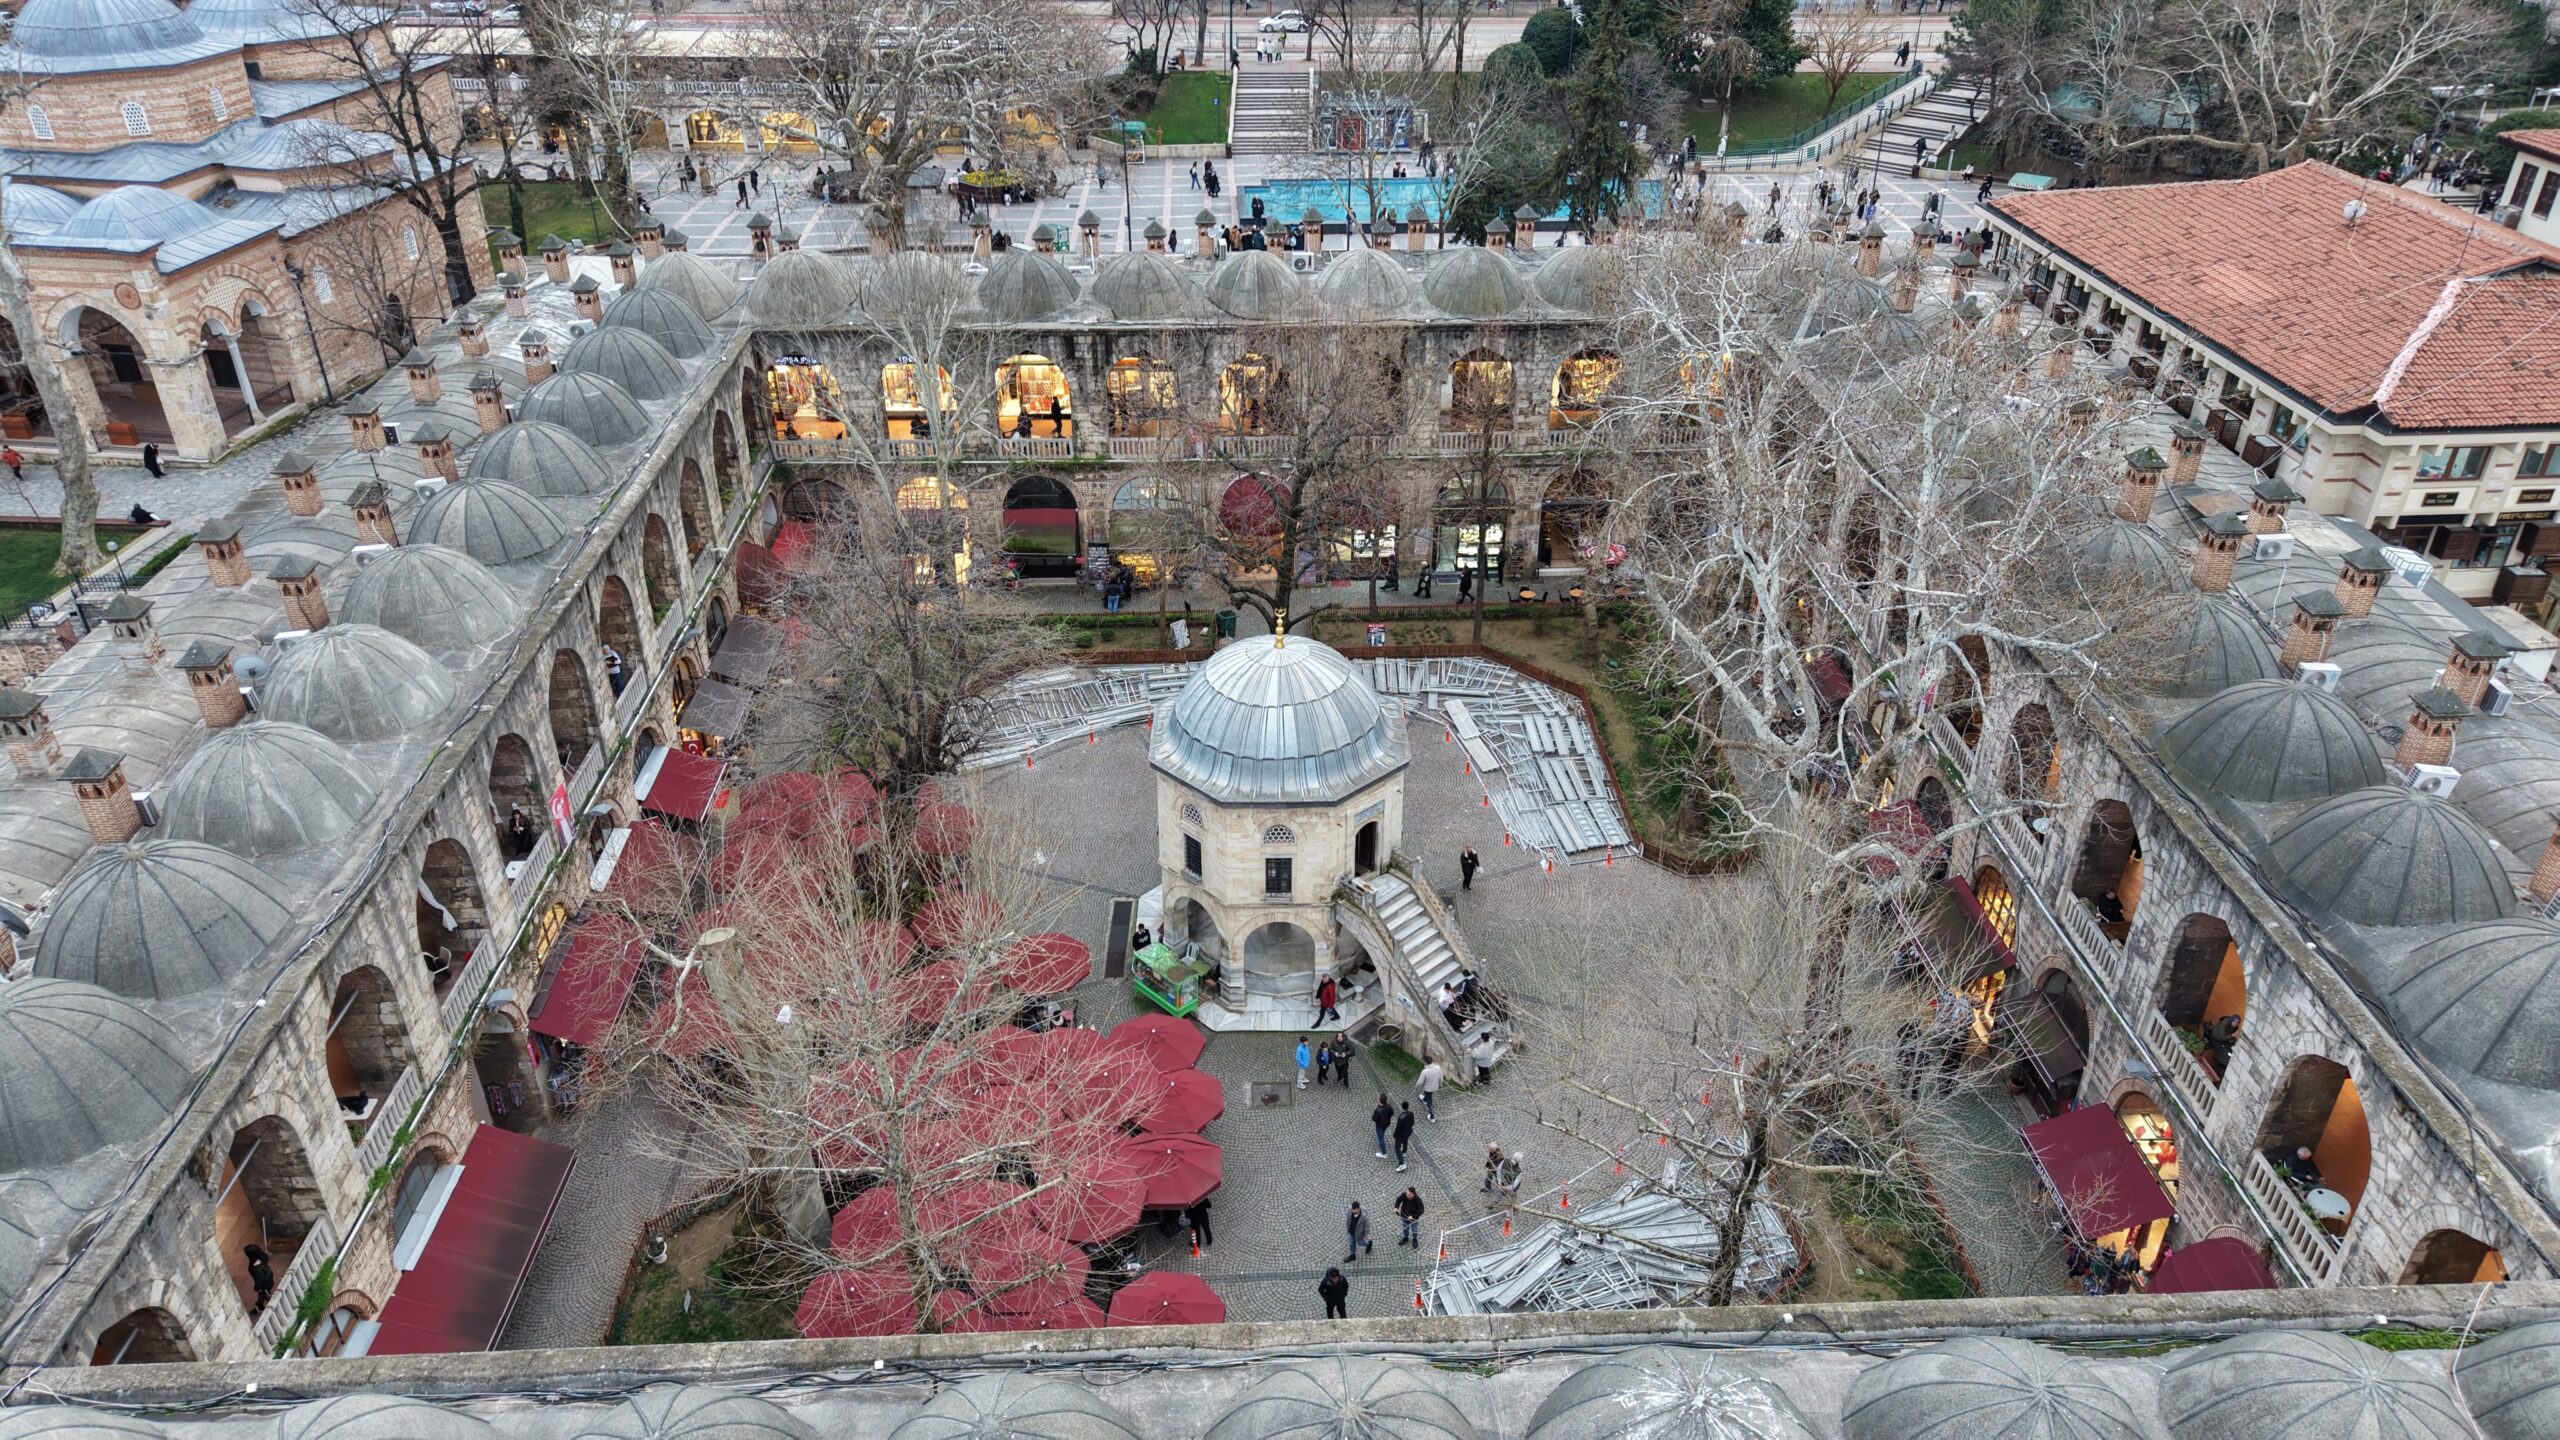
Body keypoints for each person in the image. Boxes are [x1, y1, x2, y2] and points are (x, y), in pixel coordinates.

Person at [244, 1245, 276, 1314]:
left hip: (264, 1283)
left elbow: (259, 1279)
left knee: (263, 1293)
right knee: (263, 1293)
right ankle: (260, 1305)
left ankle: (263, 1306)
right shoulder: (262, 1257)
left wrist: (257, 1287)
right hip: (268, 1278)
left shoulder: (255, 1268)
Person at [1392, 1101, 1416, 1171]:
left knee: (1397, 1148)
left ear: (1402, 1107)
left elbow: (1398, 1128)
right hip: (1408, 1132)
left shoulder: (1401, 1118)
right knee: (1405, 1140)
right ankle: (1404, 1151)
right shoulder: (1411, 1113)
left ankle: (1402, 1164)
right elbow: (1413, 1122)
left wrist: (1394, 1135)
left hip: (1401, 1135)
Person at [1371, 1094, 1394, 1159]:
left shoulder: (1378, 1110)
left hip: (1380, 1126)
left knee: (1381, 1139)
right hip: (1386, 1124)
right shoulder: (1389, 1106)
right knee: (1382, 1135)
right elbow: (1392, 1113)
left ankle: (1384, 1153)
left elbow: (1374, 1119)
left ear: (1379, 1101)